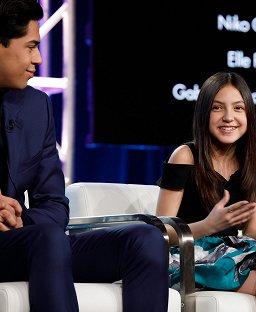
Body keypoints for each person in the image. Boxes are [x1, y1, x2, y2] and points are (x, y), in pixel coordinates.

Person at [0, 1, 168, 311]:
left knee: (146, 240)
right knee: (47, 239)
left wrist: (19, 217)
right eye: (31, 47)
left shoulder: (36, 107)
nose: (38, 58)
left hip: (24, 241)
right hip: (34, 245)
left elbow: (53, 205)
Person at [156, 71, 256, 312]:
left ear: (248, 114)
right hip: (189, 256)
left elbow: (251, 231)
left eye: (238, 108)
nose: (229, 117)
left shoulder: (254, 162)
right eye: (217, 108)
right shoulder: (185, 156)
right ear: (203, 114)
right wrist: (208, 225)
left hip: (231, 255)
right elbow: (161, 232)